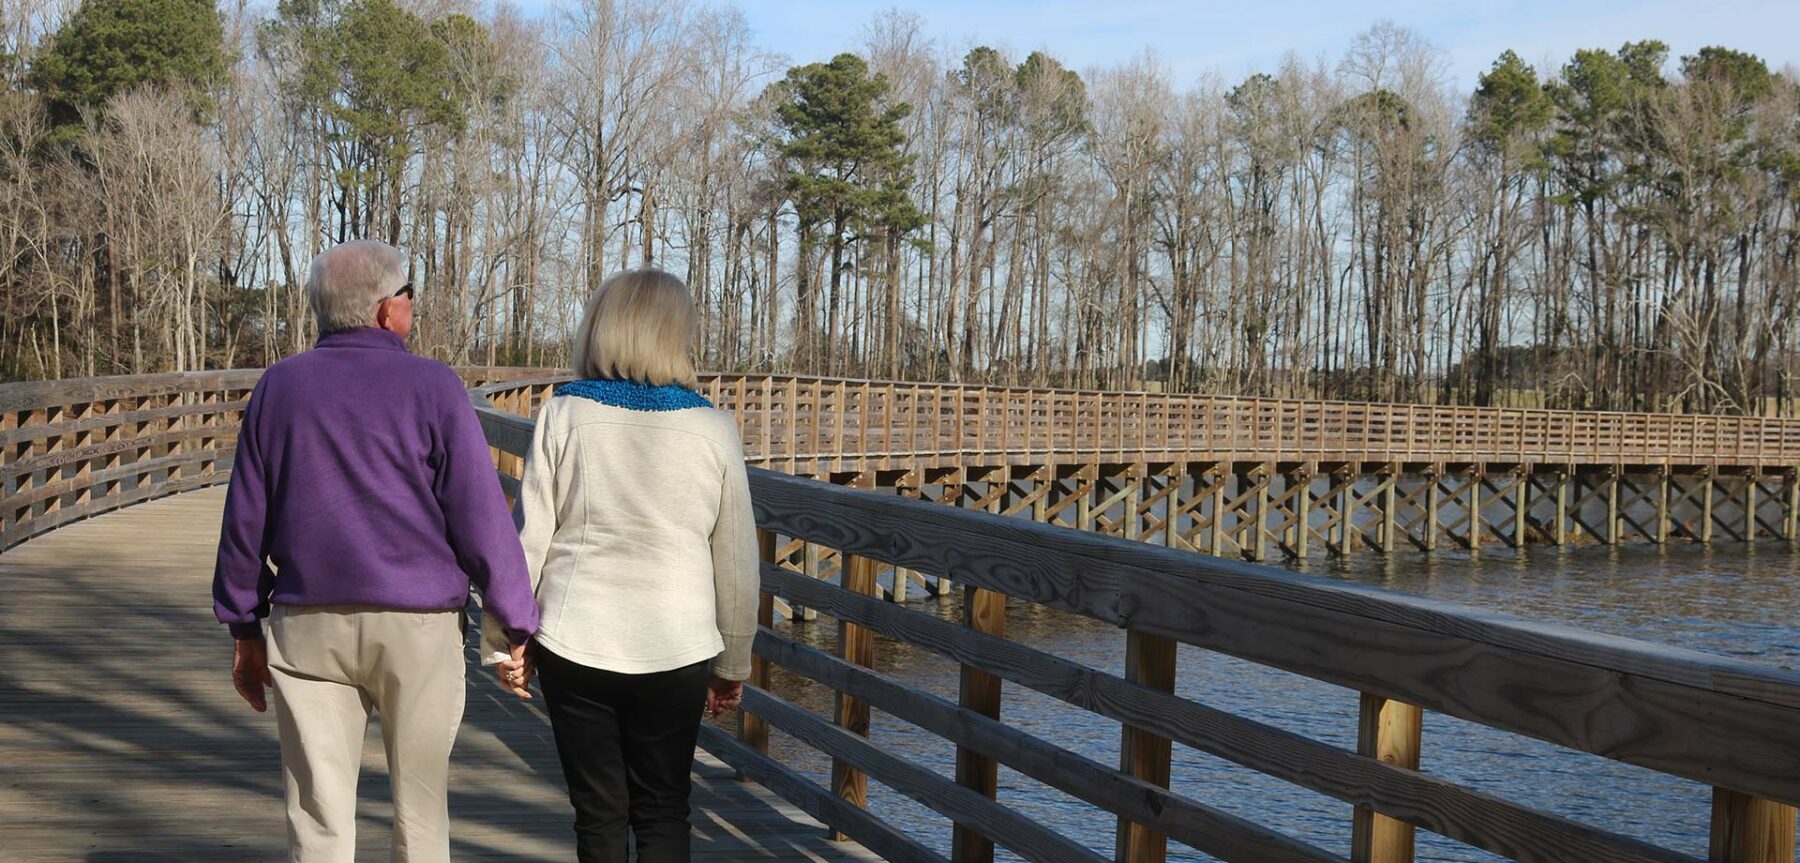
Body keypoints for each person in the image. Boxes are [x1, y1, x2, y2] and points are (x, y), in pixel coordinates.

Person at [212, 239, 540, 863]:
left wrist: (243, 628)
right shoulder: (435, 387)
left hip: (308, 624)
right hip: (417, 628)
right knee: (421, 818)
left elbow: (244, 522)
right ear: (388, 309)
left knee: (318, 819)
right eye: (410, 296)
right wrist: (515, 619)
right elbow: (480, 518)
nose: (413, 309)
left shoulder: (279, 388)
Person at [481, 267, 758, 863]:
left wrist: (507, 639)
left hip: (576, 639)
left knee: (599, 814)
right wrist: (733, 660)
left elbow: (528, 538)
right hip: (679, 644)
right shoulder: (713, 427)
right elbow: (735, 558)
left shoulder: (565, 414)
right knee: (664, 807)